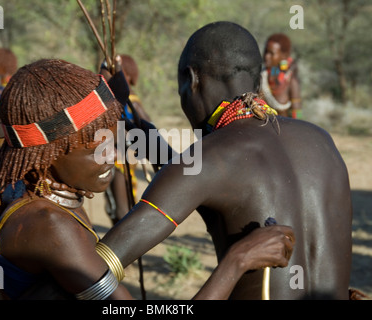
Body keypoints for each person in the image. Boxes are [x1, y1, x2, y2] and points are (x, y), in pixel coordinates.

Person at [0, 58, 294, 300]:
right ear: (47, 154)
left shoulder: (26, 186)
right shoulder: (50, 226)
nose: (113, 155)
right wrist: (238, 259)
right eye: (98, 149)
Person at [102, 21, 352, 299]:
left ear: (191, 80)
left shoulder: (212, 156)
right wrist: (146, 137)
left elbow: (96, 267)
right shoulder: (321, 141)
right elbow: (209, 186)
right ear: (257, 81)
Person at [104, 53, 152, 224]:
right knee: (112, 202)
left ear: (129, 77)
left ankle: (123, 241)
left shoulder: (132, 101)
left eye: (119, 73)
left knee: (122, 204)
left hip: (123, 157)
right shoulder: (115, 101)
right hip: (115, 153)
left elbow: (147, 126)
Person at [260, 33, 302, 119]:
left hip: (284, 130)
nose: (267, 56)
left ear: (284, 56)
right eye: (266, 52)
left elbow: (297, 111)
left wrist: (297, 129)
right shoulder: (260, 77)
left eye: (272, 53)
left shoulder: (290, 80)